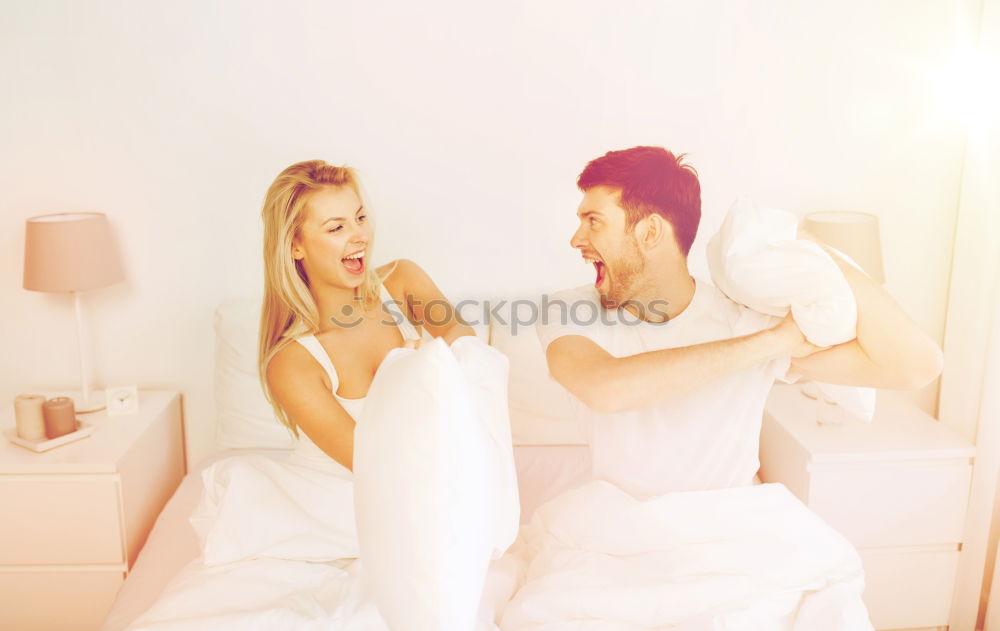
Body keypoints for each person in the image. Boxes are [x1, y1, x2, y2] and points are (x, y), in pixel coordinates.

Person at [537, 146, 944, 499]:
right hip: (618, 531)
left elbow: (916, 368)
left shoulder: (747, 319)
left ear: (650, 232)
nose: (577, 239)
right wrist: (773, 342)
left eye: (593, 221)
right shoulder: (567, 311)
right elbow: (607, 390)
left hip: (734, 529)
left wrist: (812, 252)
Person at [258, 159, 473, 472]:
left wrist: (432, 360)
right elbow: (373, 467)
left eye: (360, 218)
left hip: (424, 475)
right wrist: (408, 378)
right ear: (295, 247)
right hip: (344, 494)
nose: (360, 235)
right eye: (337, 227)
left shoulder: (402, 281)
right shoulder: (292, 364)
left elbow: (463, 336)